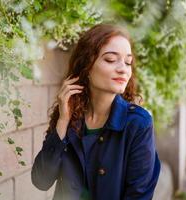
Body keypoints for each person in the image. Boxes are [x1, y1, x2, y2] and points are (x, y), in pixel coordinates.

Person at [31, 24, 161, 200]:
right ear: (86, 66)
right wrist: (62, 121)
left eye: (128, 62)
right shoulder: (68, 115)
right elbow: (41, 180)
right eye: (110, 59)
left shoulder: (138, 123)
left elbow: (139, 195)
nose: (123, 68)